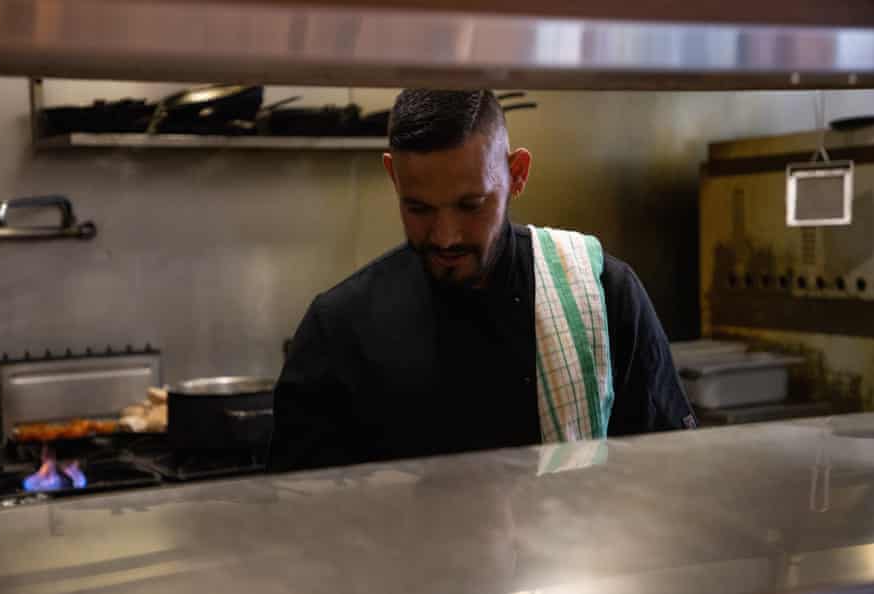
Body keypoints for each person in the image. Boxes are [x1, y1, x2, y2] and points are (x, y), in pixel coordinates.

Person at [268, 89, 695, 473]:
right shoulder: (338, 329)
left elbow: (667, 476)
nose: (445, 236)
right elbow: (301, 521)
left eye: (472, 205)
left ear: (517, 174)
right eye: (419, 209)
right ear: (394, 176)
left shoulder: (603, 294)